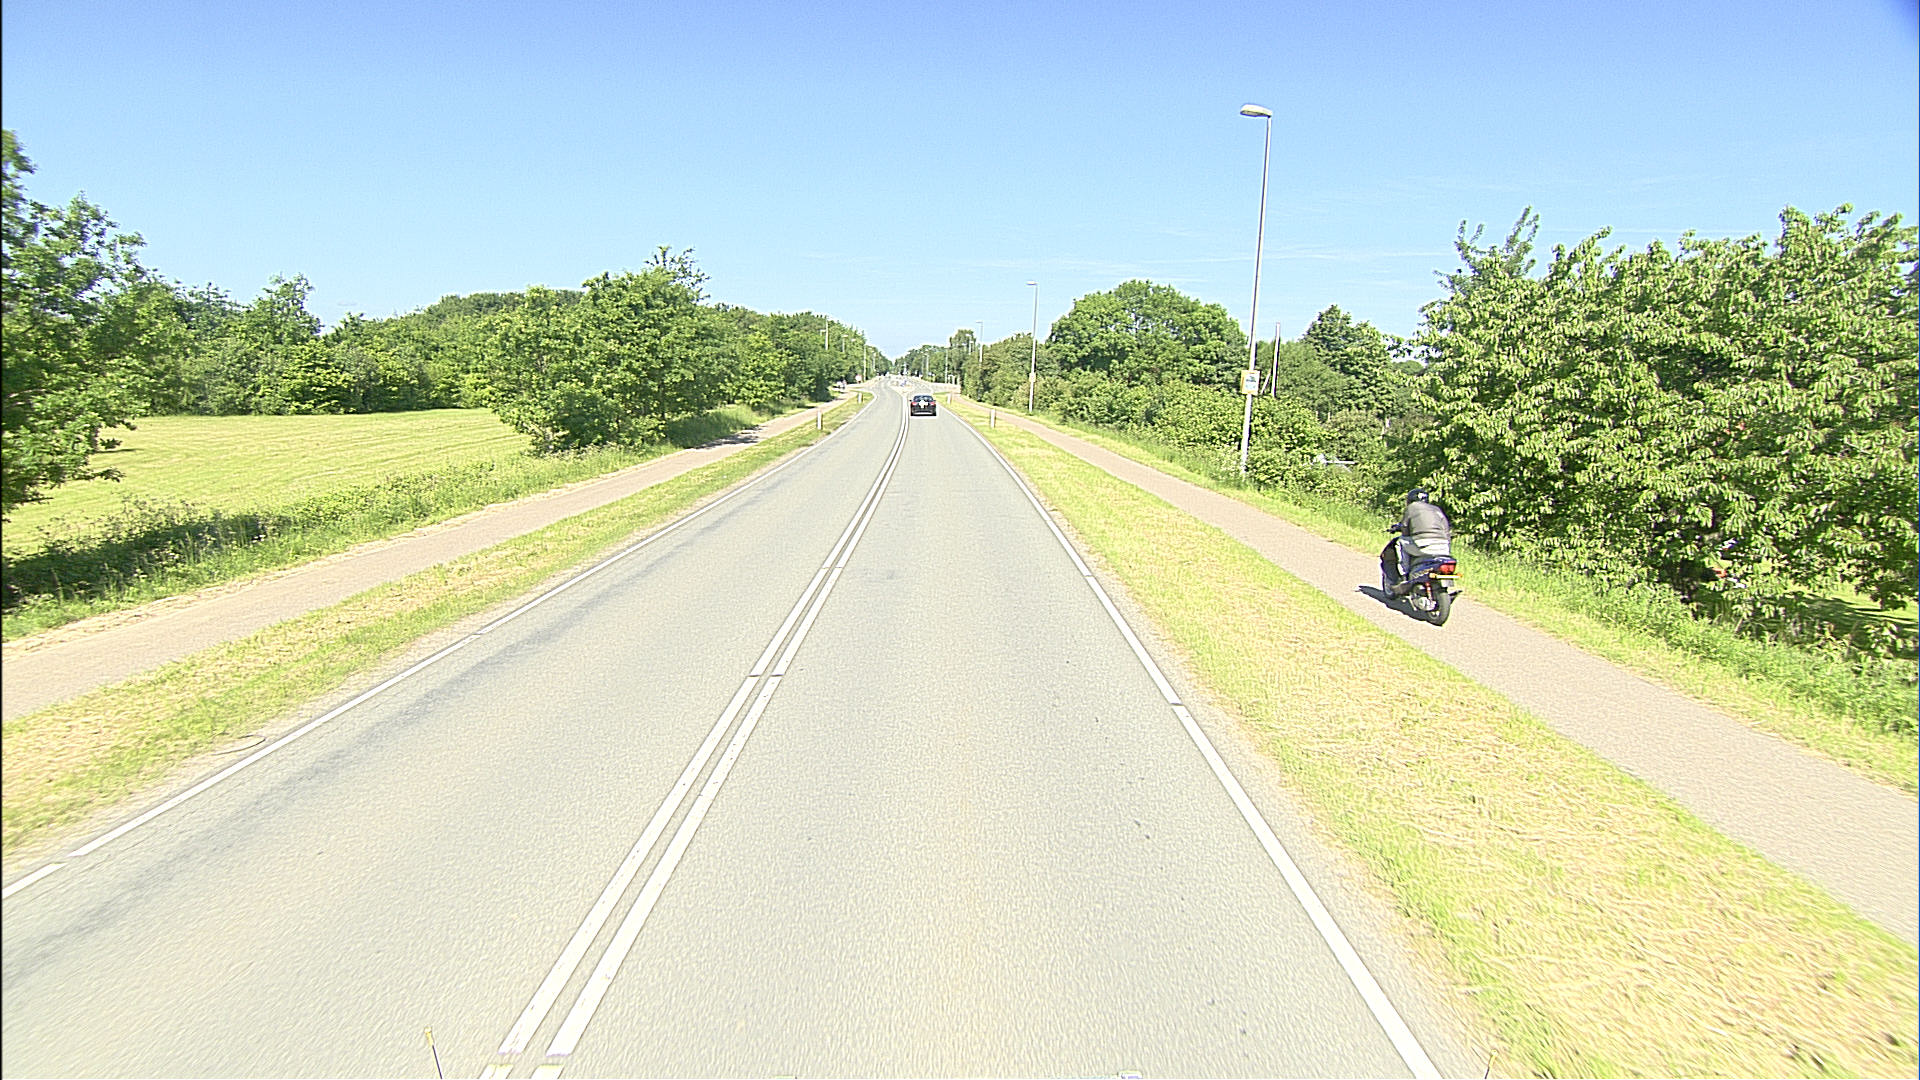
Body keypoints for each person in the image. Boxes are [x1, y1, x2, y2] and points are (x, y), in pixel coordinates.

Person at [1384, 489, 1451, 594]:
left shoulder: (1411, 508)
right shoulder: (1436, 509)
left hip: (1423, 544)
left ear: (1410, 500)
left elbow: (1405, 528)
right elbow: (1447, 531)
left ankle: (1404, 574)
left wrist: (1399, 529)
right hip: (1443, 547)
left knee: (1400, 542)